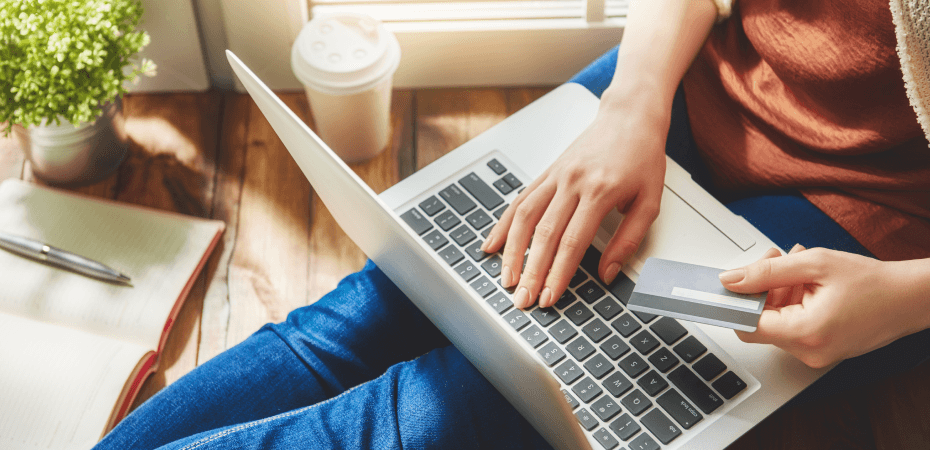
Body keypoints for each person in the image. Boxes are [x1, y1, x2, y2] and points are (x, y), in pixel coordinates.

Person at [94, 0, 930, 448]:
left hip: (878, 226)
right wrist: (632, 103)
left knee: (450, 408)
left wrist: (903, 300)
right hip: (686, 83)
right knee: (366, 314)